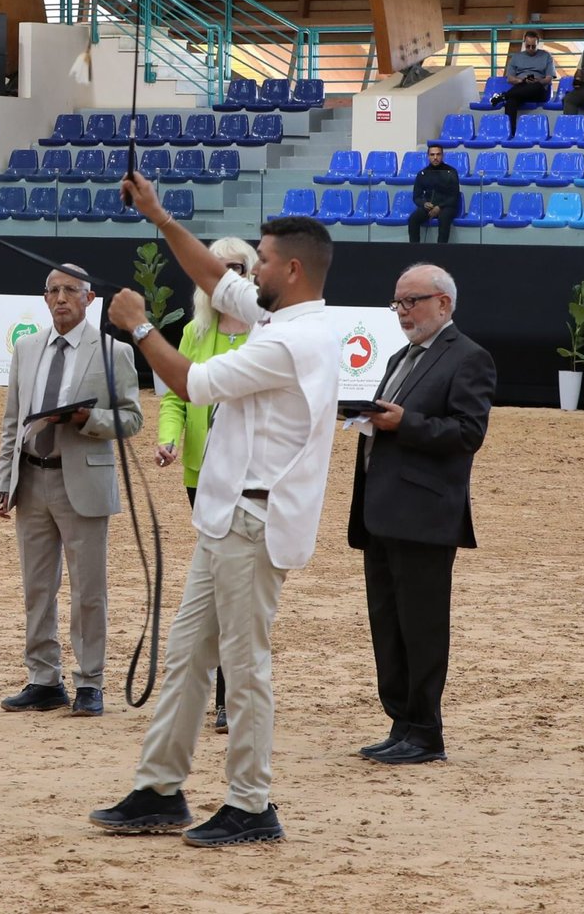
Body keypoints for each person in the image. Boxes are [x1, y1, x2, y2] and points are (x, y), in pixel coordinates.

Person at [90, 173, 339, 848]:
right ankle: (160, 787)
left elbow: (191, 383)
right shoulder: (286, 317)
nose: (245, 269)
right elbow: (216, 283)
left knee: (244, 663)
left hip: (251, 524)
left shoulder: (286, 341)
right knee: (186, 656)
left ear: (289, 268)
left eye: (257, 258)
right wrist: (158, 214)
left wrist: (138, 325)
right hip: (231, 516)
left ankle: (252, 802)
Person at [348, 264, 495, 766]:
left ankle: (426, 731)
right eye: (397, 303)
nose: (402, 312)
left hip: (425, 516)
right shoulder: (398, 357)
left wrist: (404, 423)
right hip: (381, 510)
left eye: (411, 302)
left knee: (422, 625)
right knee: (386, 622)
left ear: (444, 304)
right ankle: (400, 722)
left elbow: (467, 434)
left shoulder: (469, 358)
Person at [0, 264, 142, 718]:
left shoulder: (113, 352)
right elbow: (12, 421)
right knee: (38, 586)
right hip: (32, 478)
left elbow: (131, 419)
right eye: (53, 291)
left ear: (89, 299)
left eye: (70, 291)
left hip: (84, 479)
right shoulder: (26, 348)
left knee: (88, 589)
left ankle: (90, 682)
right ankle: (43, 678)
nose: (61, 299)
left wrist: (86, 421)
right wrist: (2, 479)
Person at [155, 236, 259, 735]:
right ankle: (207, 693)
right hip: (201, 475)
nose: (226, 276)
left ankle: (227, 699)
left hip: (248, 480)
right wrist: (169, 439)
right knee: (212, 585)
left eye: (237, 267)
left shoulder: (264, 332)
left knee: (234, 591)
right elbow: (178, 396)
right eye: (218, 267)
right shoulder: (196, 332)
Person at [498, 31, 557, 135]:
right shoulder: (516, 57)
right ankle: (511, 133)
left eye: (533, 46)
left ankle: (504, 96)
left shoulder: (546, 56)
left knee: (536, 86)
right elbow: (510, 78)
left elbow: (548, 79)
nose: (530, 49)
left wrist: (538, 80)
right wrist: (521, 80)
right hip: (521, 87)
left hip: (539, 89)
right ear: (524, 43)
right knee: (511, 102)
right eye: (528, 46)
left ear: (538, 43)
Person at [407, 144, 460, 245]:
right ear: (428, 156)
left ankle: (440, 252)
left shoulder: (451, 172)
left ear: (442, 155)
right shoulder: (422, 173)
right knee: (413, 219)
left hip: (447, 206)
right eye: (432, 155)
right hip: (429, 206)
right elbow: (416, 196)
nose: (435, 157)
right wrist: (424, 204)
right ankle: (414, 250)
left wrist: (439, 207)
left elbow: (454, 196)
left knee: (444, 218)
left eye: (438, 154)